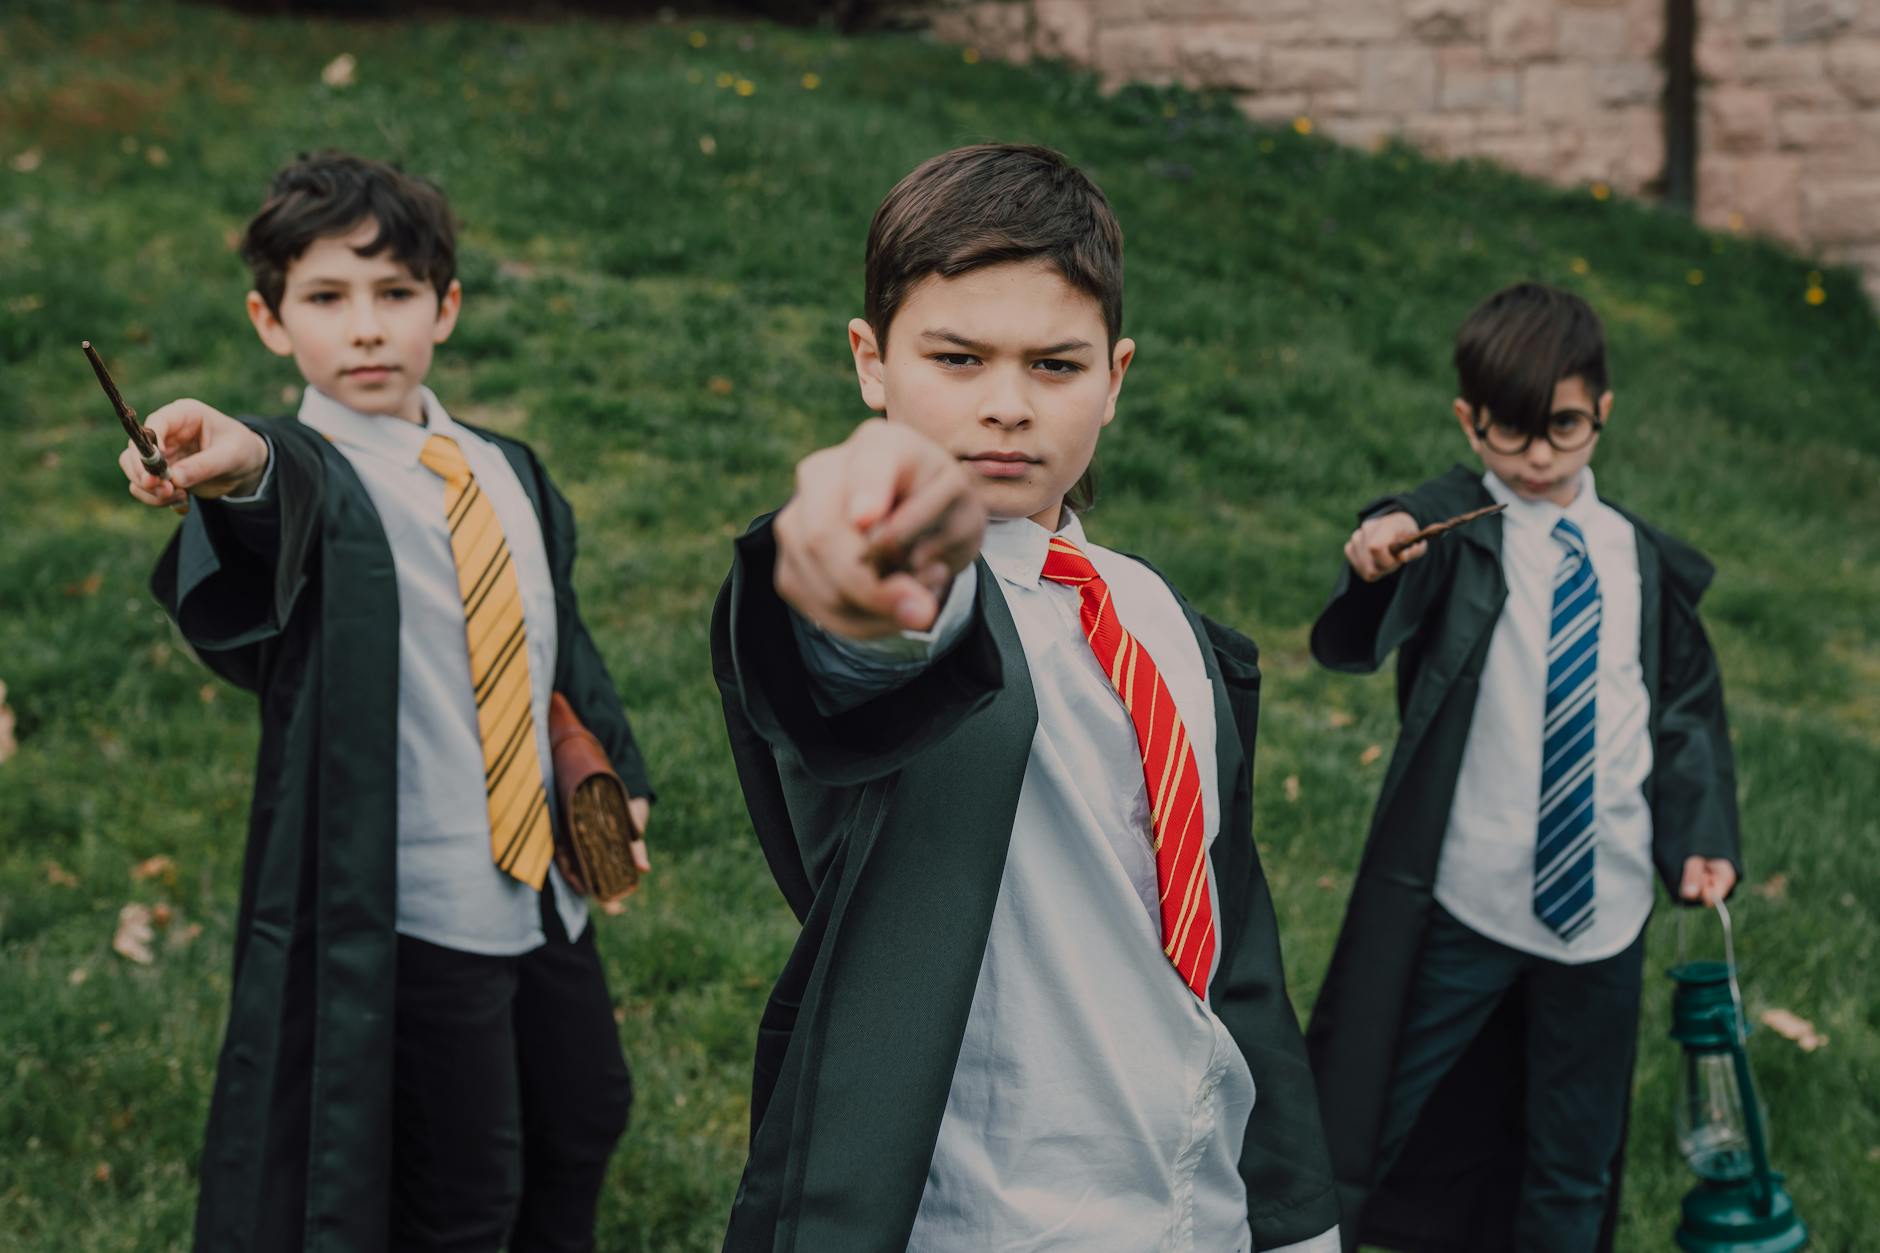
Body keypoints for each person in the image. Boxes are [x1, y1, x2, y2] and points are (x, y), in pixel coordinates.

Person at [709, 143, 1341, 1253]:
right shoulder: (914, 592)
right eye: (955, 358)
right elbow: (864, 658)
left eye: (1053, 365)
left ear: (1116, 376)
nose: (1005, 405)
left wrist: (1292, 1212)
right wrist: (853, 580)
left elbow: (1233, 939)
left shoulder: (1162, 622)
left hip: (1202, 1198)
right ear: (871, 361)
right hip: (979, 1210)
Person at [116, 151, 653, 1253]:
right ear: (271, 322)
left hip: (545, 890)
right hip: (422, 910)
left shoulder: (505, 468)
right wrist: (240, 463)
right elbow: (281, 494)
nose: (365, 328)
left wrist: (620, 775)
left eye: (394, 292)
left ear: (444, 307)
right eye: (325, 297)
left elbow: (560, 643)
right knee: (463, 1190)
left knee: (584, 1116)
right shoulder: (315, 474)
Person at [1304, 283, 1742, 1252]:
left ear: (1602, 412)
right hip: (1468, 896)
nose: (1536, 457)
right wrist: (1380, 540)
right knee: (1374, 1101)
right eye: (1508, 434)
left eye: (1563, 427)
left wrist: (1700, 830)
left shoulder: (1635, 558)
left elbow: (1678, 710)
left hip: (1605, 910)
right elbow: (1400, 529)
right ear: (1469, 420)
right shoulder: (1452, 535)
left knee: (1572, 1154)